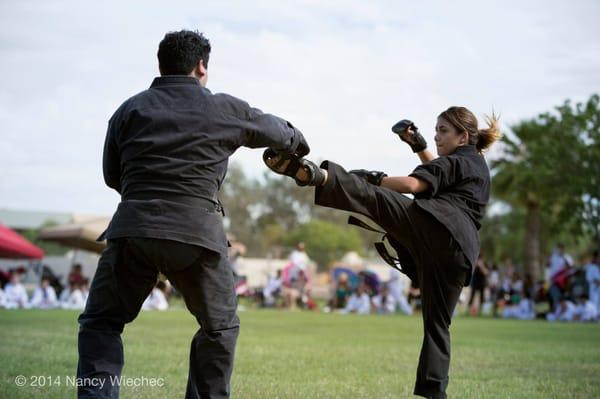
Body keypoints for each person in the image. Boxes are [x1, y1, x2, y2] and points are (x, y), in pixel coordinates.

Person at [76, 30, 310, 399]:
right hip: (196, 233)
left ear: (162, 64)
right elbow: (279, 131)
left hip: (133, 229)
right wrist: (298, 143)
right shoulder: (223, 108)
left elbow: (111, 175)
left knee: (101, 324)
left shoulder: (129, 109)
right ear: (201, 65)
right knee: (218, 329)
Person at [264, 106, 500, 398]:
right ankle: (435, 393)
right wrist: (419, 146)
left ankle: (318, 176)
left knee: (376, 198)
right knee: (437, 327)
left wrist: (375, 178)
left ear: (463, 137)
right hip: (460, 255)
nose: (437, 136)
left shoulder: (458, 160)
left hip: (440, 229)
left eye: (443, 130)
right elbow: (440, 177)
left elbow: (415, 185)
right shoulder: (475, 164)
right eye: (436, 129)